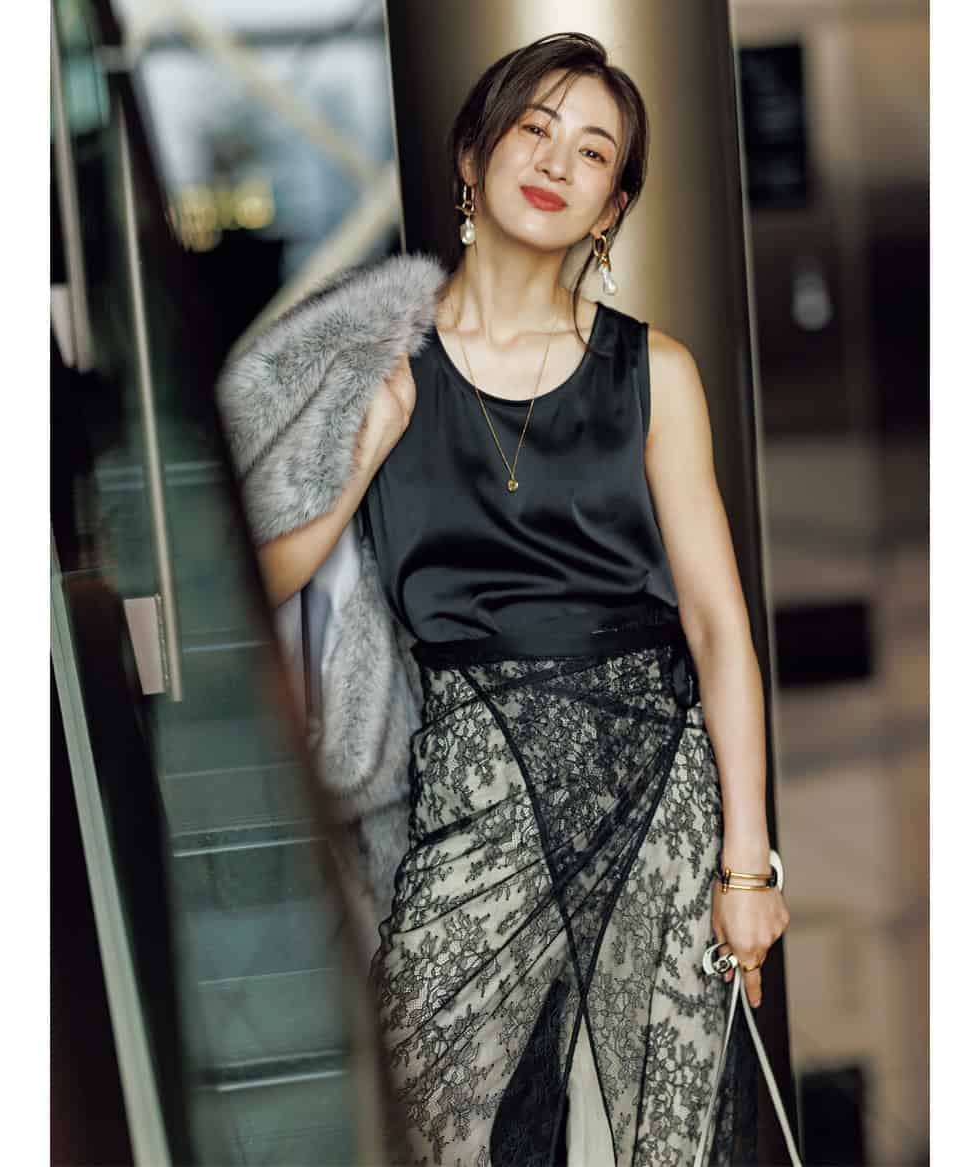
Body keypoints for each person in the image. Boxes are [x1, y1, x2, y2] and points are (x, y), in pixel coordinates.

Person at [248, 30, 790, 1167]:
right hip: (474, 791)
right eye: (534, 128)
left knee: (665, 1142)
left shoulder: (655, 372)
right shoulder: (379, 364)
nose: (555, 161)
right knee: (425, 1123)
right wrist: (366, 448)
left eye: (591, 152)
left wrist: (746, 865)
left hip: (658, 790)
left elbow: (717, 628)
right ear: (473, 155)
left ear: (611, 207)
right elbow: (269, 579)